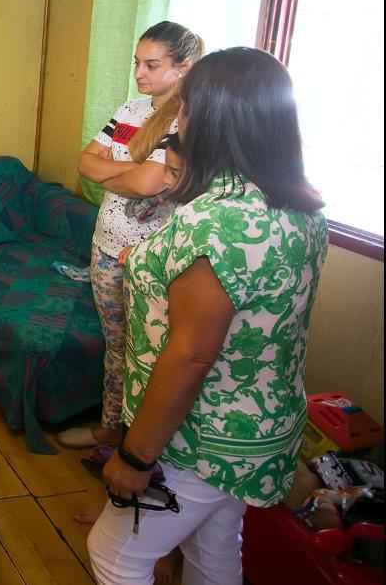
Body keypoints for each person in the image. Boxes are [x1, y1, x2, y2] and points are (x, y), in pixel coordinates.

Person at [88, 47, 328, 584]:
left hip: (198, 436)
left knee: (115, 555)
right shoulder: (300, 207)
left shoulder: (216, 226)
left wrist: (135, 457)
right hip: (259, 429)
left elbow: (192, 354)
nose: (179, 119)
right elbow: (249, 300)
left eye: (187, 109)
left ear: (213, 120)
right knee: (214, 550)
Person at [60, 21, 203, 452]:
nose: (140, 72)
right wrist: (136, 172)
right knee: (116, 346)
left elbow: (147, 186)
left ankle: (145, 447)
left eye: (151, 64)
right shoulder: (129, 111)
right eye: (137, 63)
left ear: (184, 67)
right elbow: (87, 163)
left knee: (153, 353)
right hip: (105, 247)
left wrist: (129, 175)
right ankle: (109, 428)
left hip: (150, 256)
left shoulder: (189, 120)